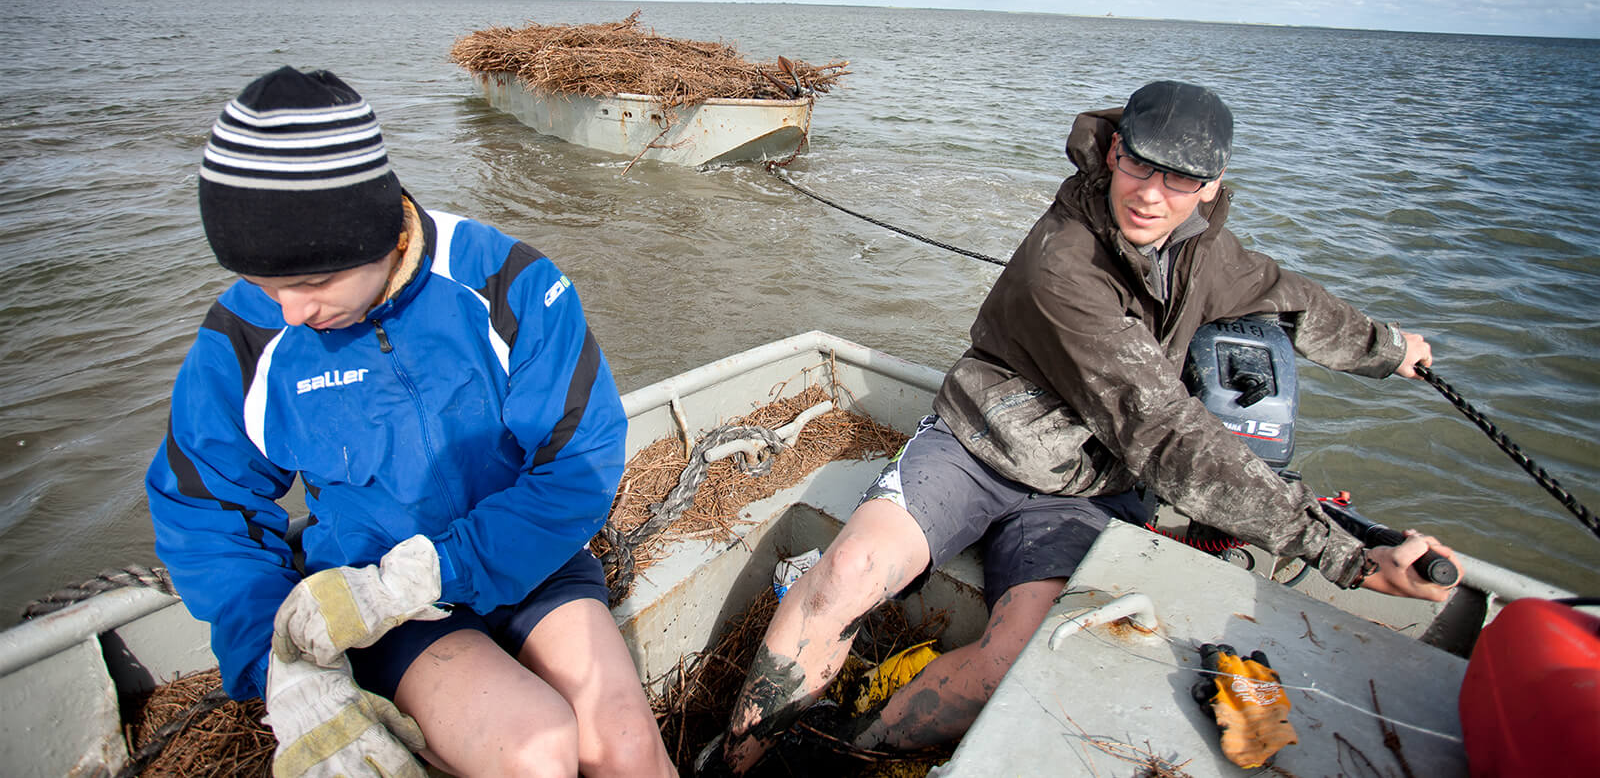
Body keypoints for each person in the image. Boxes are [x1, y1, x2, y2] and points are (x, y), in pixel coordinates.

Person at [713, 80, 1461, 774]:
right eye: (1140, 164)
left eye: (1180, 180)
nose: (1152, 194)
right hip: (979, 444)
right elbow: (1162, 428)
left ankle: (844, 752)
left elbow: (1289, 299)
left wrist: (1389, 348)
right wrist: (1345, 555)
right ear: (1113, 151)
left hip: (1090, 487)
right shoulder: (1062, 261)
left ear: (1210, 189)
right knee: (843, 574)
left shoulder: (1204, 252)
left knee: (1012, 658)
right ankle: (744, 756)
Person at [146, 67, 675, 778]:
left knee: (626, 744)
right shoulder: (246, 338)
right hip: (378, 605)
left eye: (313, 282)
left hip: (525, 559)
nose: (293, 312)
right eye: (269, 286)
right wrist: (279, 666)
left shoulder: (501, 280)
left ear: (379, 230)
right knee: (536, 746)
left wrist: (439, 568)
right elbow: (207, 509)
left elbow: (578, 457)